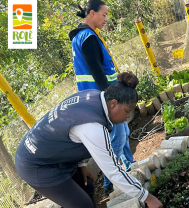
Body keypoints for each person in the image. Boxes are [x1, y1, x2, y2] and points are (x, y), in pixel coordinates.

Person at [15, 72, 163, 208]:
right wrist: (147, 198)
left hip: (52, 152)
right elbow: (114, 172)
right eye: (126, 111)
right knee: (82, 205)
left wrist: (81, 163)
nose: (126, 117)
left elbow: (72, 131)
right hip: (36, 165)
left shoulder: (94, 96)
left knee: (88, 186)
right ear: (113, 103)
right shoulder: (93, 127)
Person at [68, 0, 133, 195]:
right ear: (92, 13)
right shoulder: (87, 37)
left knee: (124, 131)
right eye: (103, 15)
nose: (106, 19)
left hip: (96, 95)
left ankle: (130, 165)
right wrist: (115, 96)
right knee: (119, 136)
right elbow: (96, 72)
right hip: (104, 97)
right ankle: (109, 182)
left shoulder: (82, 36)